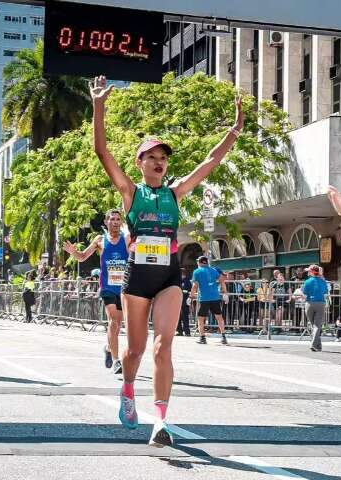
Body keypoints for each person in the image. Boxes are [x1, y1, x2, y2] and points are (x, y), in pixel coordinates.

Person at [90, 75, 243, 446]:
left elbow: (210, 161)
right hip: (137, 279)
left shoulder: (175, 193)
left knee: (164, 346)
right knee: (135, 349)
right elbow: (102, 152)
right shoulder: (130, 192)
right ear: (140, 162)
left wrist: (235, 131)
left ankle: (161, 421)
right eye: (152, 157)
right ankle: (127, 388)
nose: (159, 163)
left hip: (170, 276)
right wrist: (98, 106)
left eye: (163, 158)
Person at [64, 209, 129, 375]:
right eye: (112, 219)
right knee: (114, 322)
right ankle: (116, 361)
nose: (115, 221)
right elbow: (82, 256)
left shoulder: (127, 239)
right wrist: (73, 252)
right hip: (107, 288)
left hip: (123, 288)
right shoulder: (100, 240)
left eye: (117, 219)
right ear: (107, 222)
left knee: (117, 324)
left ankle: (108, 348)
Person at [190, 256, 229, 345]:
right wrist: (225, 293)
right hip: (215, 297)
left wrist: (191, 297)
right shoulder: (214, 270)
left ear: (199, 262)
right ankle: (223, 337)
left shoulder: (197, 271)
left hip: (204, 298)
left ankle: (202, 338)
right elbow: (222, 281)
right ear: (206, 262)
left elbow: (194, 286)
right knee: (219, 317)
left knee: (201, 318)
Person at [302, 264, 329, 352]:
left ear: (312, 272)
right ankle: (318, 345)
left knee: (314, 325)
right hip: (321, 303)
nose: (308, 272)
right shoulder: (323, 281)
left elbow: (305, 295)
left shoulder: (307, 282)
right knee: (317, 326)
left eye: (309, 271)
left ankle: (313, 344)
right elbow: (325, 294)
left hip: (309, 303)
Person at [176, 269, 191, 336]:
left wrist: (186, 291)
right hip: (177, 301)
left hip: (185, 301)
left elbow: (189, 290)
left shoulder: (187, 281)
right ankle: (179, 331)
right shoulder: (178, 281)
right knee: (177, 317)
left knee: (185, 317)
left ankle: (187, 332)